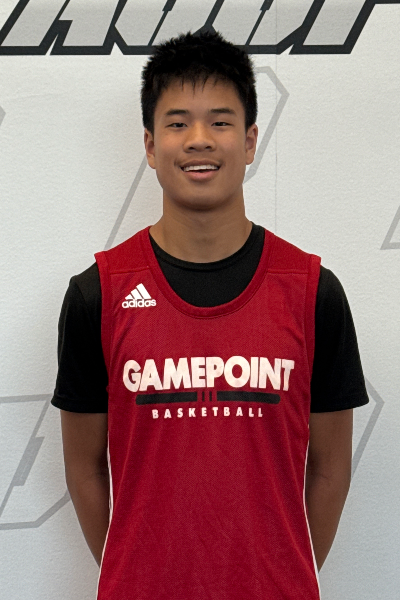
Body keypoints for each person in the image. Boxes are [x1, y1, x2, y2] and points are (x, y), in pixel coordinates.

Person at [52, 30, 369, 600]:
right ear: (151, 145)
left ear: (249, 142)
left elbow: (329, 470)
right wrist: (139, 573)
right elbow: (84, 469)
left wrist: (281, 574)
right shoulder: (97, 295)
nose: (199, 139)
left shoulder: (313, 293)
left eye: (220, 122)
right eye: (177, 123)